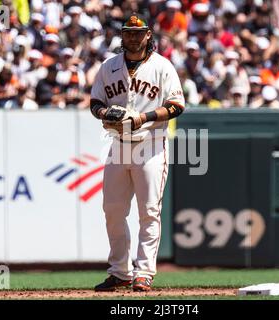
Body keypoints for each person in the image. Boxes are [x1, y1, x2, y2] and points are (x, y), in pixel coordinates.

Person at [90, 13, 185, 292]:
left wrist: (144, 118)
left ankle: (143, 272)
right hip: (119, 144)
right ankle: (120, 271)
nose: (133, 37)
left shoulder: (162, 67)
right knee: (112, 209)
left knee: (149, 211)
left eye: (138, 32)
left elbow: (177, 105)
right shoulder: (109, 67)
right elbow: (96, 101)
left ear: (148, 35)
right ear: (122, 35)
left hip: (151, 144)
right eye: (128, 32)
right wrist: (105, 112)